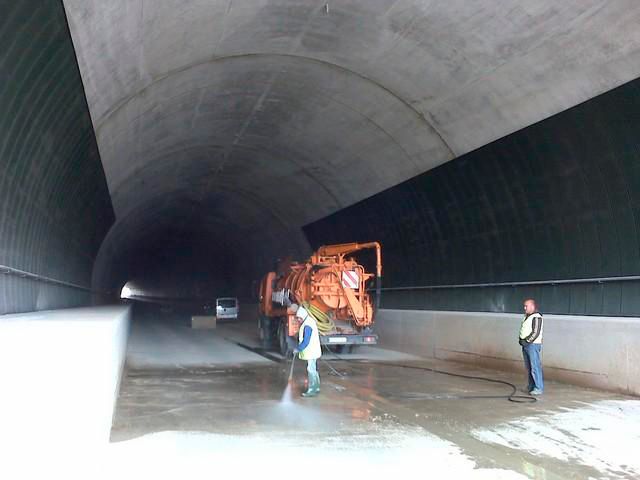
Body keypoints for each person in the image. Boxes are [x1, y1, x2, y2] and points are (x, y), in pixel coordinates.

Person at [291, 303, 322, 397]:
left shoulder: (307, 325)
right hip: (313, 350)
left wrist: (298, 349)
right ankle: (316, 387)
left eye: (299, 318)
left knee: (311, 370)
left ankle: (312, 390)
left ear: (303, 316)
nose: (298, 320)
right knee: (313, 369)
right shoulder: (308, 321)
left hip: (311, 351)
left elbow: (306, 340)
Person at [519, 298, 544, 395]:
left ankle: (538, 387)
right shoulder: (526, 316)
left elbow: (536, 332)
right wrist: (521, 340)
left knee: (535, 367)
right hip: (526, 345)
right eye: (524, 306)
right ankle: (531, 386)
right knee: (529, 367)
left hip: (532, 345)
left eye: (526, 306)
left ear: (532, 306)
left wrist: (527, 341)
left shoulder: (537, 317)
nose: (524, 308)